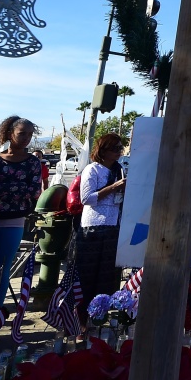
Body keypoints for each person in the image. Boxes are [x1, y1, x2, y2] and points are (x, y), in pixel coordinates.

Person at [0, 116, 43, 309]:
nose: (26, 138)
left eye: (30, 135)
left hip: (15, 222)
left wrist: (4, 190)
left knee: (2, 271)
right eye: (22, 134)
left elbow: (35, 191)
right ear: (9, 134)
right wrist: (17, 190)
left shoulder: (33, 163)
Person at [76, 134, 127, 329]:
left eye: (120, 148)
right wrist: (114, 187)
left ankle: (100, 319)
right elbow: (86, 198)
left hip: (114, 224)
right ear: (103, 150)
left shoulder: (119, 170)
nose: (118, 151)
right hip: (93, 226)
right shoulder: (92, 169)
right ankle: (81, 322)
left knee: (108, 276)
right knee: (88, 275)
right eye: (115, 148)